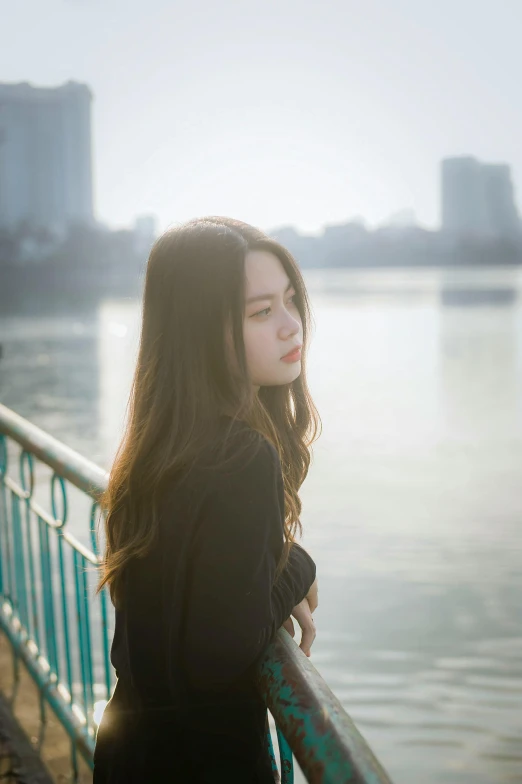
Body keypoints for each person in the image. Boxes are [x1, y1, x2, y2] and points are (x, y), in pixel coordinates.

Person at [93, 216, 321, 783]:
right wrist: (298, 565)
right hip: (201, 764)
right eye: (261, 312)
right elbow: (220, 652)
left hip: (128, 751)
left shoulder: (156, 448)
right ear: (201, 330)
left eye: (290, 301)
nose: (292, 327)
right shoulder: (241, 456)